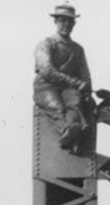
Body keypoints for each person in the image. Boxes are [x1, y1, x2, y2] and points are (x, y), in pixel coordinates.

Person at [34, 4, 93, 152]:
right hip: (46, 87)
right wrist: (74, 82)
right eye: (62, 20)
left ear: (74, 24)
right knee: (55, 106)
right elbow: (46, 71)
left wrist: (87, 92)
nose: (66, 24)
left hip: (68, 89)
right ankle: (68, 132)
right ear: (56, 21)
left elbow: (85, 75)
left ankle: (74, 129)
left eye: (70, 21)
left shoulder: (78, 49)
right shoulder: (46, 44)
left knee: (75, 102)